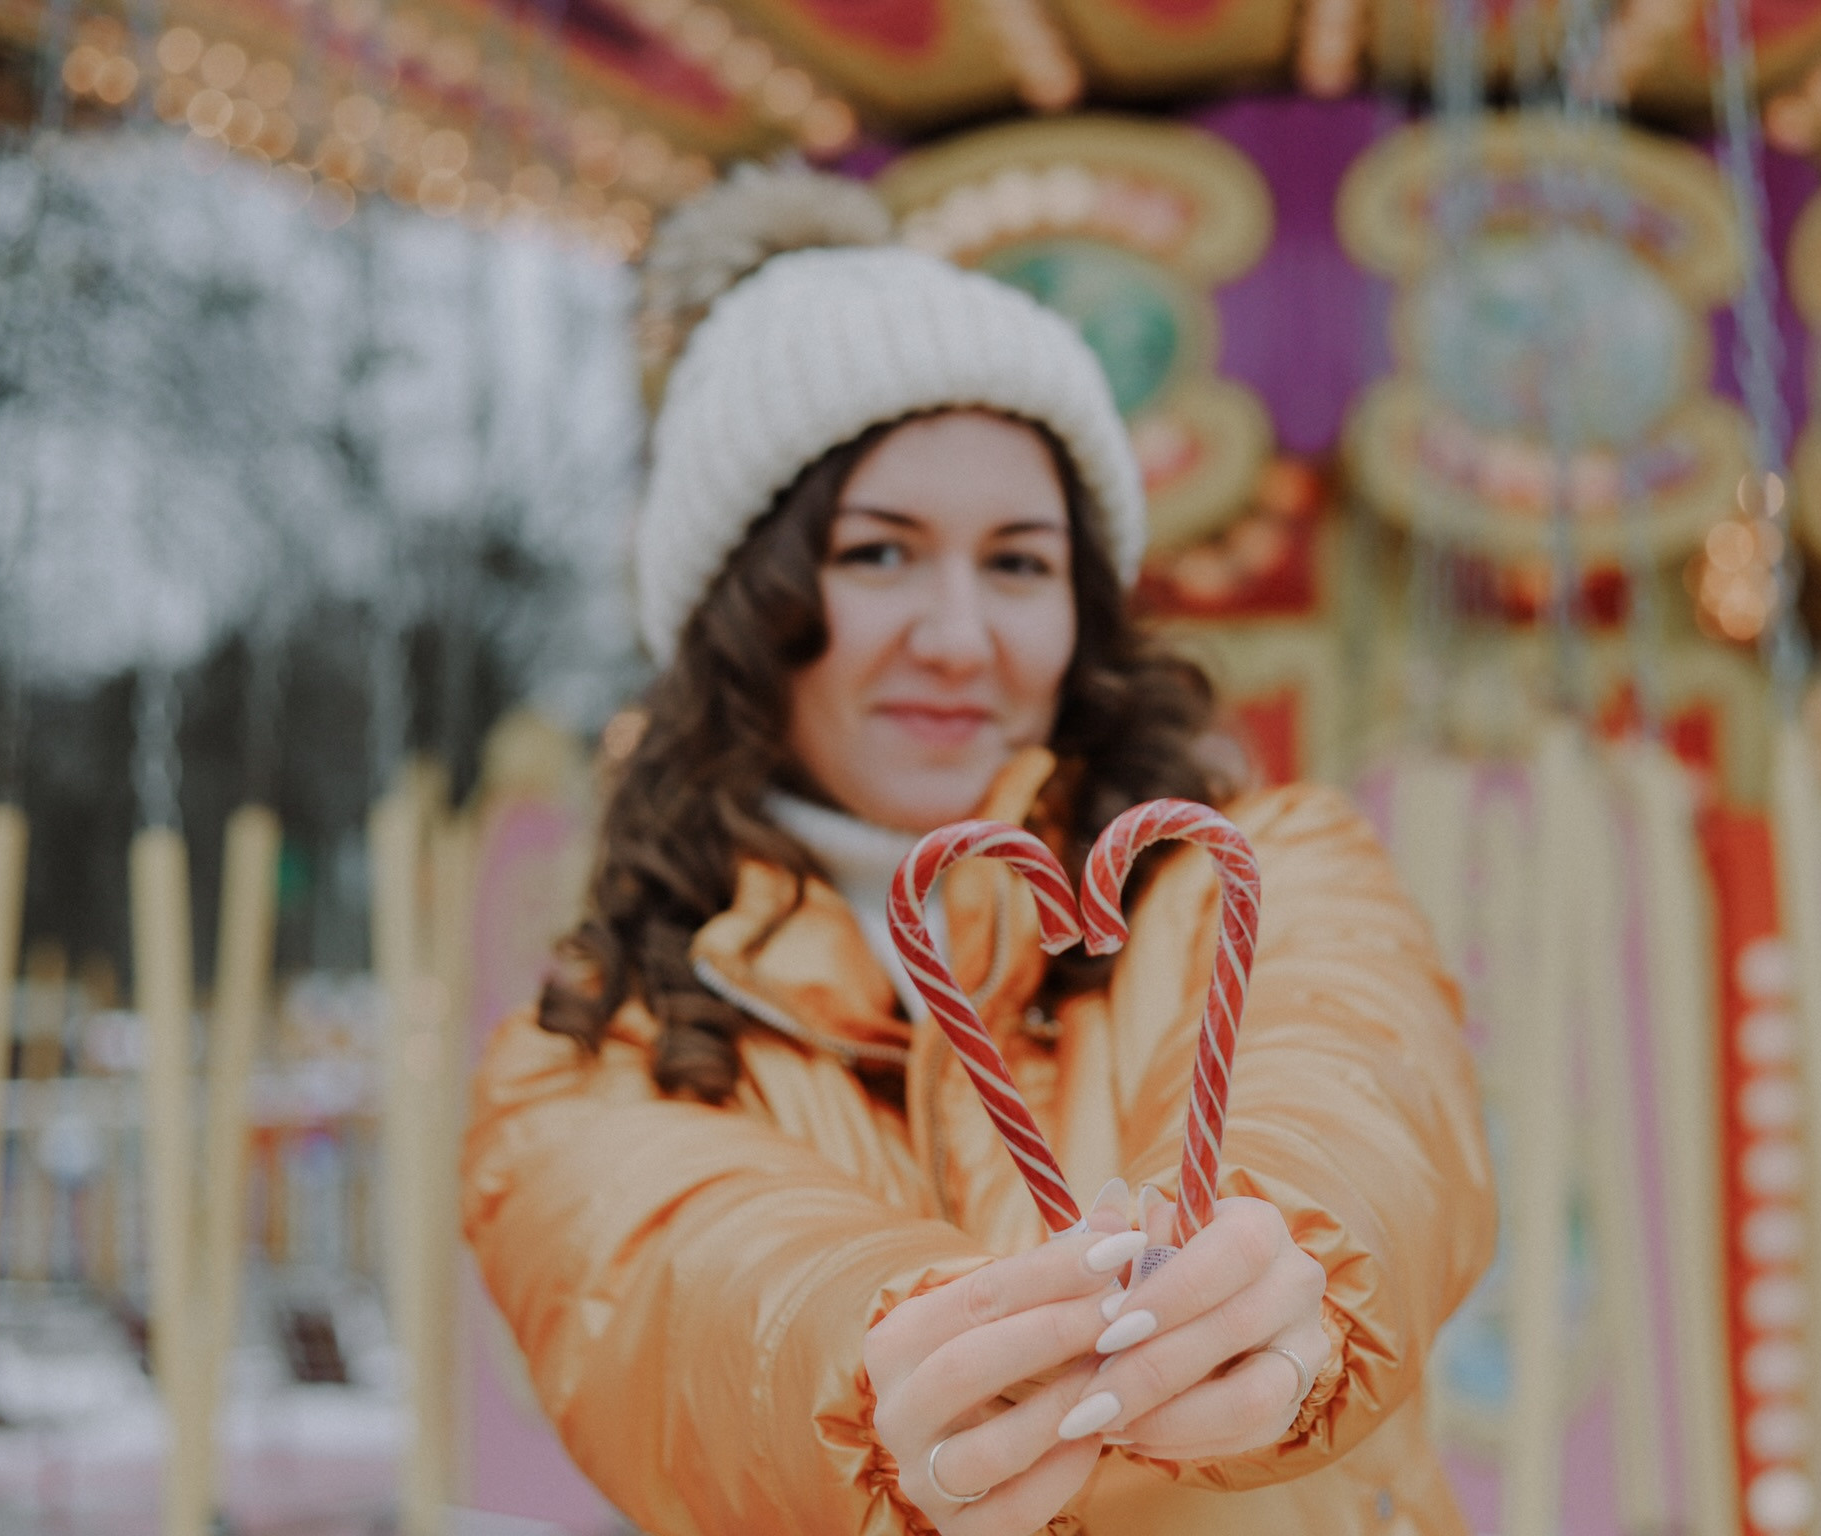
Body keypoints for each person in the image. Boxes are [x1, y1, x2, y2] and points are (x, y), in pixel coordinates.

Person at [461, 164, 1493, 1536]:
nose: (957, 638)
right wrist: (884, 1365)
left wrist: (1282, 1258)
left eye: (1018, 563)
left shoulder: (1258, 877)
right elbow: (684, 1280)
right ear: (744, 606)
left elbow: (1351, 1081)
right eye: (878, 556)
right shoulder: (593, 1056)